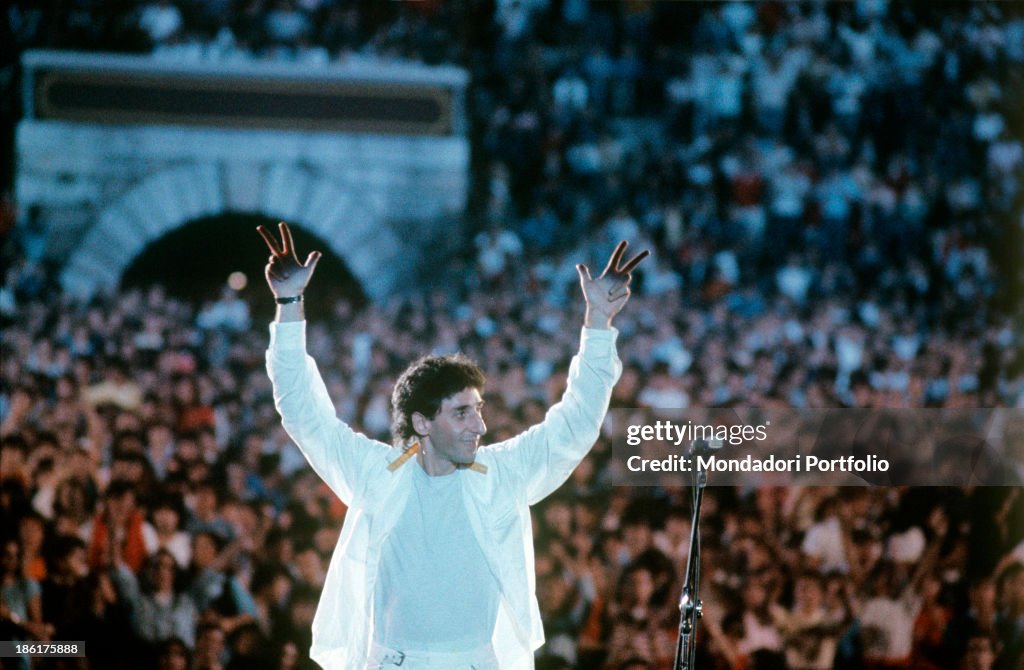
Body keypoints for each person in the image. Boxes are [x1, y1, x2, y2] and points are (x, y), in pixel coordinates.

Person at [258, 222, 648, 669]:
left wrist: (598, 324)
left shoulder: (504, 474)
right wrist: (288, 304)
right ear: (422, 422)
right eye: (461, 413)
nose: (479, 425)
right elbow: (303, 412)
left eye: (479, 410)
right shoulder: (373, 473)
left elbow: (577, 422)